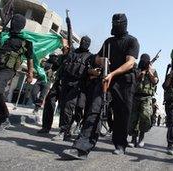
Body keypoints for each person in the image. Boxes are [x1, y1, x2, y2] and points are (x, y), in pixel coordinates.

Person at [62, 13, 139, 159]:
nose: (115, 26)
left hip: (124, 83)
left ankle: (120, 144)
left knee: (122, 115)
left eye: (118, 23)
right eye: (113, 23)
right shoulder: (108, 42)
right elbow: (96, 57)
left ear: (124, 24)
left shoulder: (132, 41)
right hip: (106, 80)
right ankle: (81, 147)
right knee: (94, 110)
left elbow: (130, 63)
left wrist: (113, 74)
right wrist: (101, 60)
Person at [0, 14, 34, 130]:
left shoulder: (26, 40)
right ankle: (4, 118)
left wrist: (30, 73)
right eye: (13, 21)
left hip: (9, 68)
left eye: (17, 22)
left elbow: (30, 58)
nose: (14, 24)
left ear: (22, 25)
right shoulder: (4, 34)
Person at [51, 36, 94, 141]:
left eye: (87, 42)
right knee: (63, 106)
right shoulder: (72, 53)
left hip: (78, 85)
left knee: (69, 107)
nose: (84, 43)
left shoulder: (90, 57)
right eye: (83, 41)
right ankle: (67, 130)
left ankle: (64, 131)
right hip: (65, 83)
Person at [128, 53, 158, 148]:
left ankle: (141, 138)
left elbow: (155, 81)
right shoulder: (136, 70)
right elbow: (133, 81)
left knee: (145, 117)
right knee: (133, 119)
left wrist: (149, 71)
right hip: (135, 96)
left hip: (147, 97)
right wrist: (141, 74)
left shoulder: (153, 71)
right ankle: (133, 139)